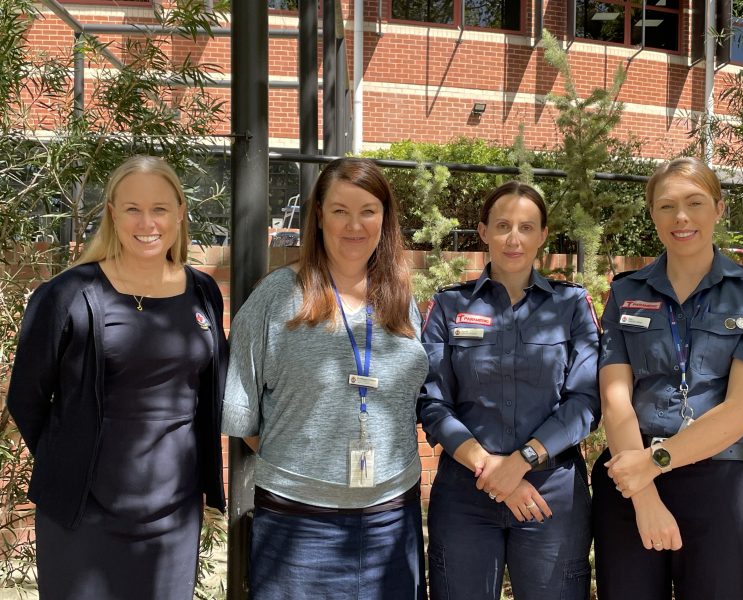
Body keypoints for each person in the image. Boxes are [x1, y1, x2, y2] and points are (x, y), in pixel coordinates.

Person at [6, 155, 228, 600]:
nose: (147, 222)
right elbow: (26, 399)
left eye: (160, 208)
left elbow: (208, 394)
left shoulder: (202, 291)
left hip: (173, 513)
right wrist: (68, 459)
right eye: (132, 209)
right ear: (112, 213)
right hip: (84, 513)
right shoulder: (68, 295)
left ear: (181, 212)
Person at [222, 158, 429, 600]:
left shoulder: (400, 300)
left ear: (384, 218)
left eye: (368, 211)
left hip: (392, 518)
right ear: (318, 215)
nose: (354, 225)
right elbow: (245, 418)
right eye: (340, 211)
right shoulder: (276, 298)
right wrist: (311, 463)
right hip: (299, 522)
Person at [592, 157, 743, 600]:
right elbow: (615, 399)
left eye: (695, 203)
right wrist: (643, 493)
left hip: (719, 486)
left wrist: (655, 463)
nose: (681, 217)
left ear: (719, 208)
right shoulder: (626, 293)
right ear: (652, 214)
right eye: (666, 206)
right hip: (629, 483)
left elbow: (740, 411)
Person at [418, 181, 600, 600]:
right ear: (483, 232)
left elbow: (585, 400)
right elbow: (432, 401)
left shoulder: (572, 305)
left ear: (543, 236)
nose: (513, 238)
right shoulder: (449, 306)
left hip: (550, 491)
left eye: (525, 227)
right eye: (502, 225)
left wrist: (520, 462)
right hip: (466, 490)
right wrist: (491, 469)